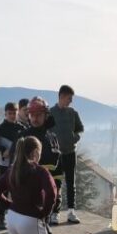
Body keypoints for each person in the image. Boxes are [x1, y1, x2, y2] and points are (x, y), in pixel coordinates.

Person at [48, 84, 84, 225]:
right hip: (55, 155)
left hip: (70, 152)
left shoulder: (73, 113)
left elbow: (80, 129)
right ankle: (54, 213)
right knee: (55, 184)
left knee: (70, 182)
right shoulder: (50, 113)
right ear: (62, 96)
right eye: (69, 98)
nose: (71, 101)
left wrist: (74, 138)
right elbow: (46, 131)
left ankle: (71, 212)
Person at [0, 102, 25, 229]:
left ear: (17, 113)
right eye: (9, 113)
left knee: (18, 190)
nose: (12, 115)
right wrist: (2, 150)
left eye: (14, 113)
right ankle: (1, 217)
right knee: (3, 189)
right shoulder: (0, 128)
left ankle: (17, 217)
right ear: (5, 114)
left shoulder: (22, 128)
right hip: (5, 163)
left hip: (19, 163)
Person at [27, 96, 62, 213]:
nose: (35, 118)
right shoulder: (22, 137)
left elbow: (58, 168)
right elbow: (14, 167)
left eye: (38, 115)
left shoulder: (52, 138)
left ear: (46, 116)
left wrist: (58, 190)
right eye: (32, 115)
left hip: (49, 192)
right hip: (29, 193)